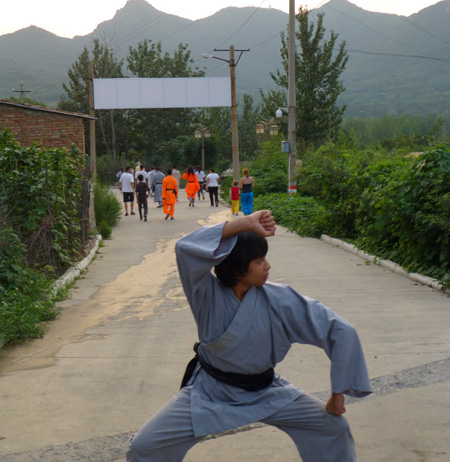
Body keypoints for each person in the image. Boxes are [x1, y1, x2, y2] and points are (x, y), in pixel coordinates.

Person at [126, 210, 372, 462]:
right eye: (258, 261)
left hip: (266, 391)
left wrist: (337, 394)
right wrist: (244, 223)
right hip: (209, 393)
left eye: (265, 258)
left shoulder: (280, 299)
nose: (268, 267)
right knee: (145, 446)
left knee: (333, 428)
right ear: (236, 270)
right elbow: (185, 248)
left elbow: (340, 330)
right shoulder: (206, 295)